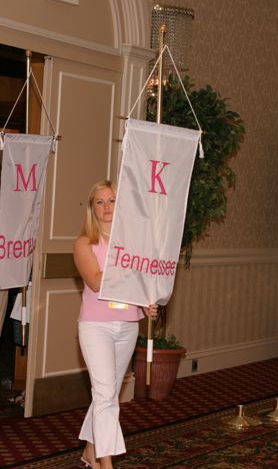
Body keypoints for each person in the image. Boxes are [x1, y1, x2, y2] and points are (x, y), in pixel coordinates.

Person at [74, 179, 157, 469]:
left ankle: (89, 451)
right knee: (105, 395)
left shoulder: (133, 245)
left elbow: (144, 281)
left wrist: (147, 301)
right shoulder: (85, 243)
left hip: (128, 325)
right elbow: (97, 281)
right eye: (100, 202)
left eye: (112, 201)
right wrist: (131, 268)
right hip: (96, 326)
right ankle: (105, 463)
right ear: (92, 208)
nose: (107, 207)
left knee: (107, 393)